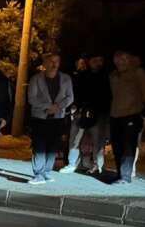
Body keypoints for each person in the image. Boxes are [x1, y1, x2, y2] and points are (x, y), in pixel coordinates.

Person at [26, 54, 74, 184]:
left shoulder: (66, 79)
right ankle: (38, 174)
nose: (54, 64)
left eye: (57, 61)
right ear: (45, 63)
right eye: (51, 61)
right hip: (40, 117)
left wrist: (58, 107)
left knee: (53, 146)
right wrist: (48, 107)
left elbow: (70, 97)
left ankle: (47, 172)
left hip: (58, 117)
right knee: (39, 146)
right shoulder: (36, 79)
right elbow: (32, 98)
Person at [108, 49, 145, 184]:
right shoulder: (113, 75)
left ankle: (125, 176)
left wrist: (144, 109)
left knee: (128, 146)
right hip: (115, 115)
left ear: (129, 59)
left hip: (132, 114)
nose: (121, 61)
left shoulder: (138, 73)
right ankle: (120, 173)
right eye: (118, 59)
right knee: (117, 146)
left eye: (124, 58)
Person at [62, 53, 111, 175]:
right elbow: (76, 93)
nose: (98, 63)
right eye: (95, 60)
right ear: (89, 61)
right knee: (74, 140)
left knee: (98, 142)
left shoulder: (107, 77)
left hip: (99, 114)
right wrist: (75, 108)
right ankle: (72, 164)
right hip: (81, 112)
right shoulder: (82, 76)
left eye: (100, 60)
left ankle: (98, 165)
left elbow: (109, 97)